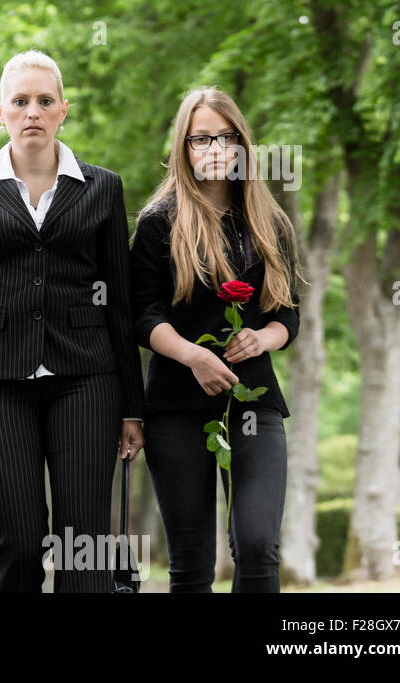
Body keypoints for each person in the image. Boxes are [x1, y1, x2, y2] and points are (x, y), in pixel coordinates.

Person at [0, 50, 146, 593]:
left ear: (63, 110)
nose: (33, 113)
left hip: (88, 380)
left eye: (45, 101)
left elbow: (120, 302)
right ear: (0, 111)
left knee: (82, 543)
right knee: (18, 540)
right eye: (21, 102)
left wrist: (133, 408)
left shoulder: (103, 188)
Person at [129, 86, 303, 592]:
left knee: (256, 545)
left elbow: (287, 314)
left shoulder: (269, 223)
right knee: (190, 561)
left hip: (254, 403)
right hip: (176, 407)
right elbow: (143, 315)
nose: (215, 150)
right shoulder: (159, 224)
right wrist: (193, 356)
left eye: (227, 138)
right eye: (201, 138)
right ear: (184, 146)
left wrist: (263, 338)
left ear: (243, 145)